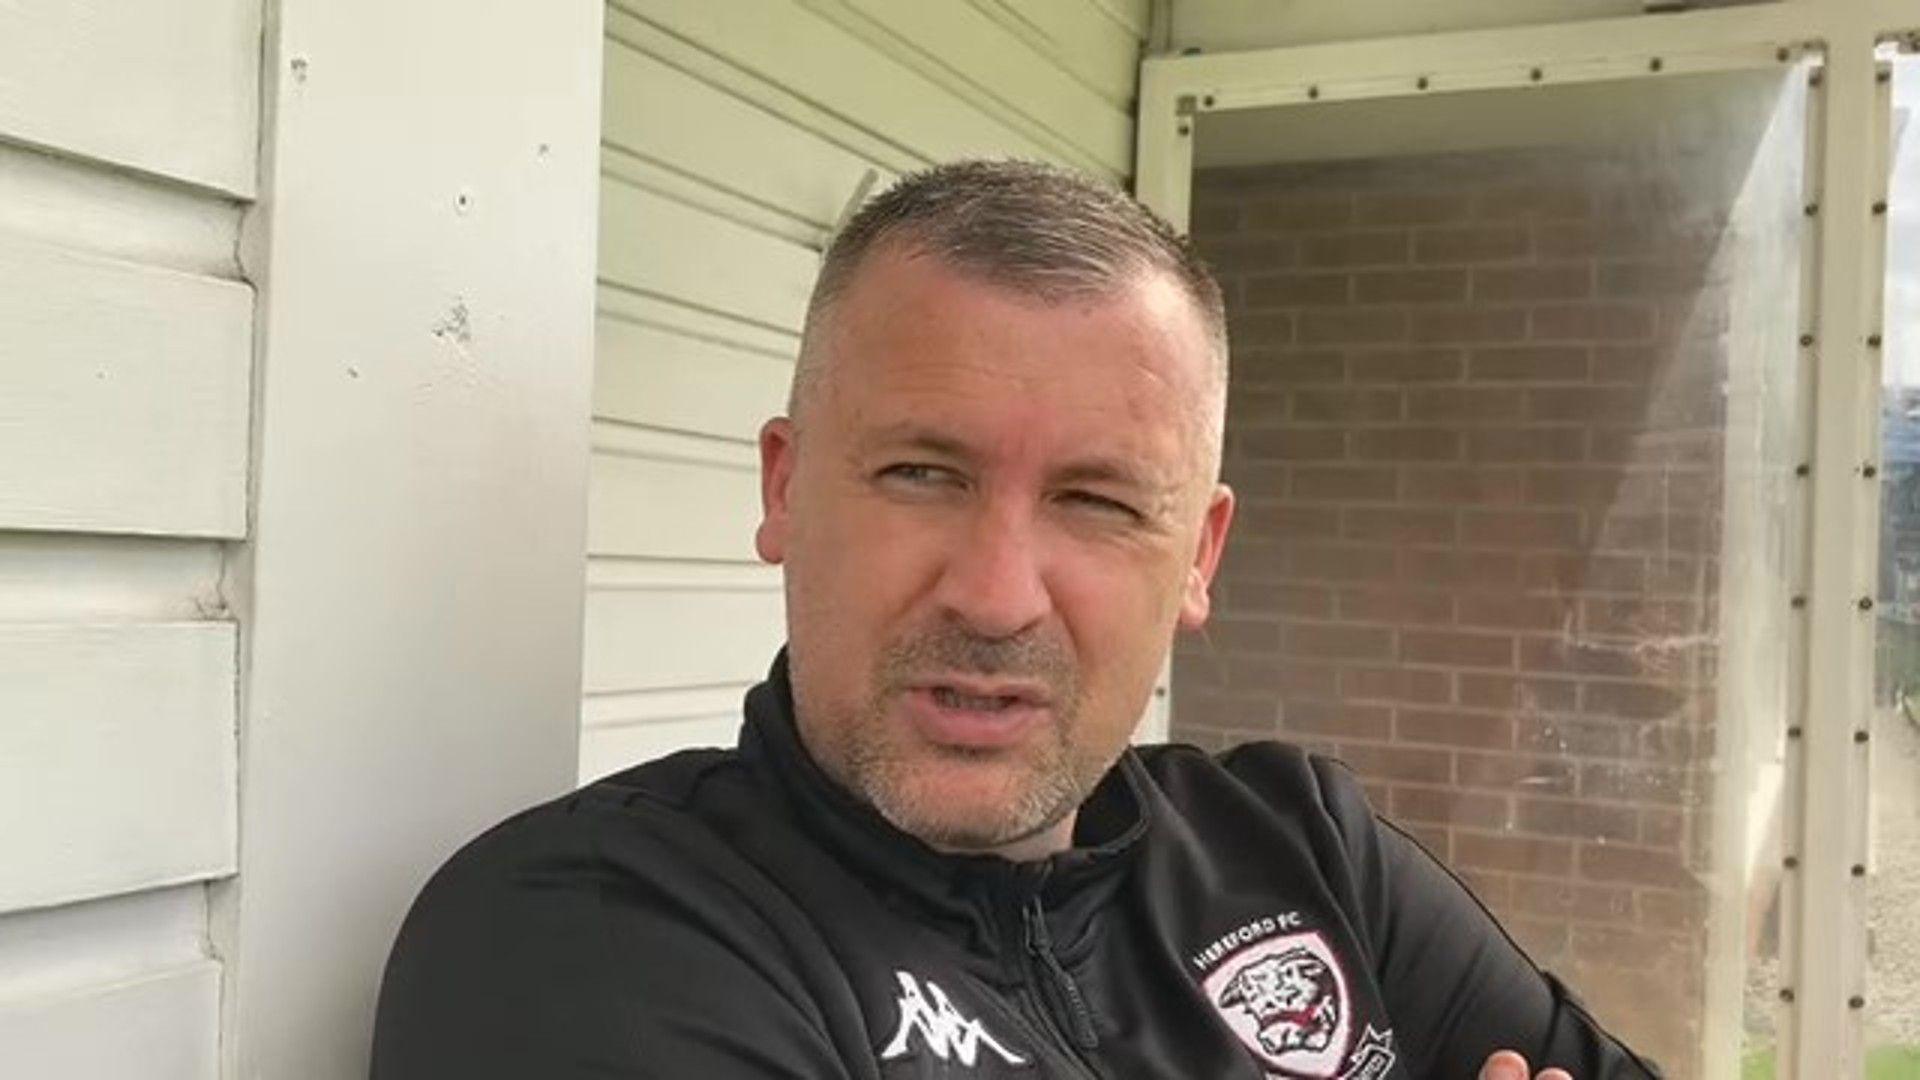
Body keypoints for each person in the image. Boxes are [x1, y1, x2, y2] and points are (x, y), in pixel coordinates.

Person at [371, 160, 1657, 1079]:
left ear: (1199, 556)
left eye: (1097, 502)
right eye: (921, 474)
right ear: (783, 489)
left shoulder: (1310, 852)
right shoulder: (586, 933)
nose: (994, 597)